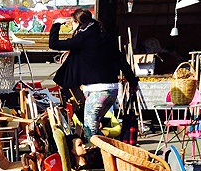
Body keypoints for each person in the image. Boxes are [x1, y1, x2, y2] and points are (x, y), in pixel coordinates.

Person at [49, 8, 138, 142]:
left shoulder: (82, 38)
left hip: (97, 91)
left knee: (89, 131)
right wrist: (133, 82)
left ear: (78, 23)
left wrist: (56, 25)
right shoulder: (104, 35)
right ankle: (106, 154)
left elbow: (53, 44)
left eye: (73, 23)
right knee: (95, 127)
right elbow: (121, 60)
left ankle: (100, 158)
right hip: (112, 91)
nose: (72, 26)